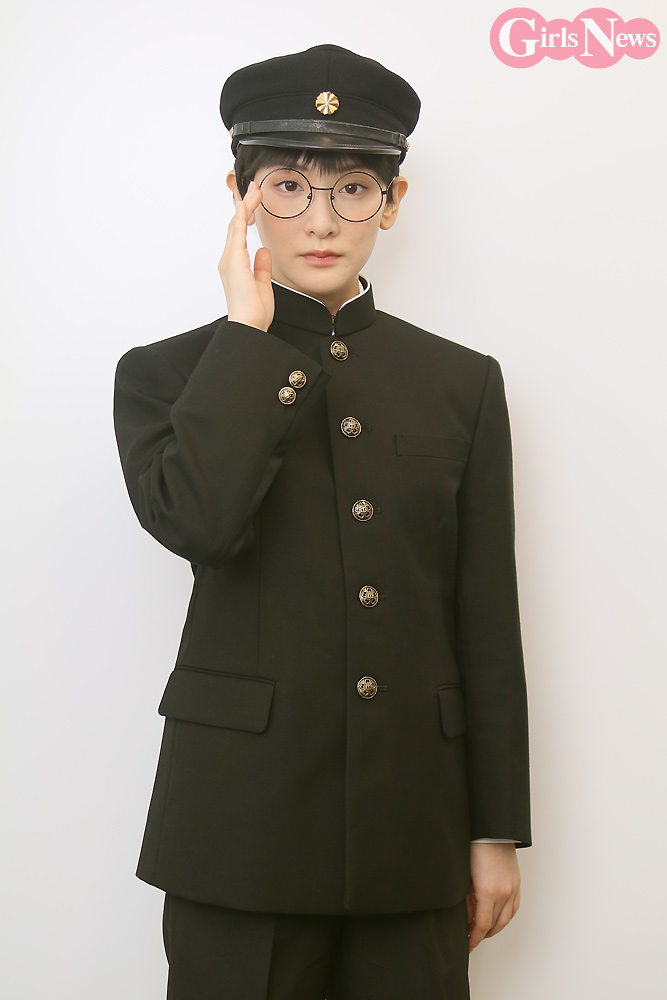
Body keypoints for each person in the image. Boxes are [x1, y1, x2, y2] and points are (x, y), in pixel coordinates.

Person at [113, 43, 531, 1000]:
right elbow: (200, 524)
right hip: (238, 830)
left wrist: (493, 830)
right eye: (287, 185)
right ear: (239, 194)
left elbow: (485, 616)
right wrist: (245, 336)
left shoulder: (461, 383)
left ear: (393, 201)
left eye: (351, 188)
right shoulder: (167, 375)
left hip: (413, 830)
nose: (320, 219)